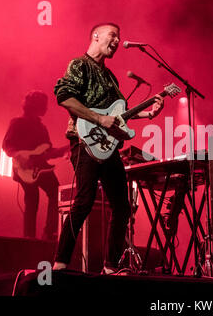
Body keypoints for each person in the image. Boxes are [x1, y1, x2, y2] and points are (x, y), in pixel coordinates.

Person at [52, 23, 164, 274]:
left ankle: (110, 266)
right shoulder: (79, 64)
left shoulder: (111, 77)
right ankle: (60, 264)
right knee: (83, 202)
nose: (117, 40)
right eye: (113, 35)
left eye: (119, 37)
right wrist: (99, 119)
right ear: (96, 36)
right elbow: (64, 97)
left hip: (109, 146)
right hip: (84, 142)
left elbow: (117, 115)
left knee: (123, 207)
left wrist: (147, 115)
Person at [2, 90, 64, 241]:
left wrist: (67, 149)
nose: (47, 108)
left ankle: (49, 233)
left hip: (41, 167)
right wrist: (19, 156)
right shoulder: (17, 122)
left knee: (55, 192)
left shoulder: (41, 127)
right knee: (32, 198)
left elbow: (48, 150)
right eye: (44, 105)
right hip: (24, 168)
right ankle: (29, 237)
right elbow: (7, 145)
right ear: (35, 106)